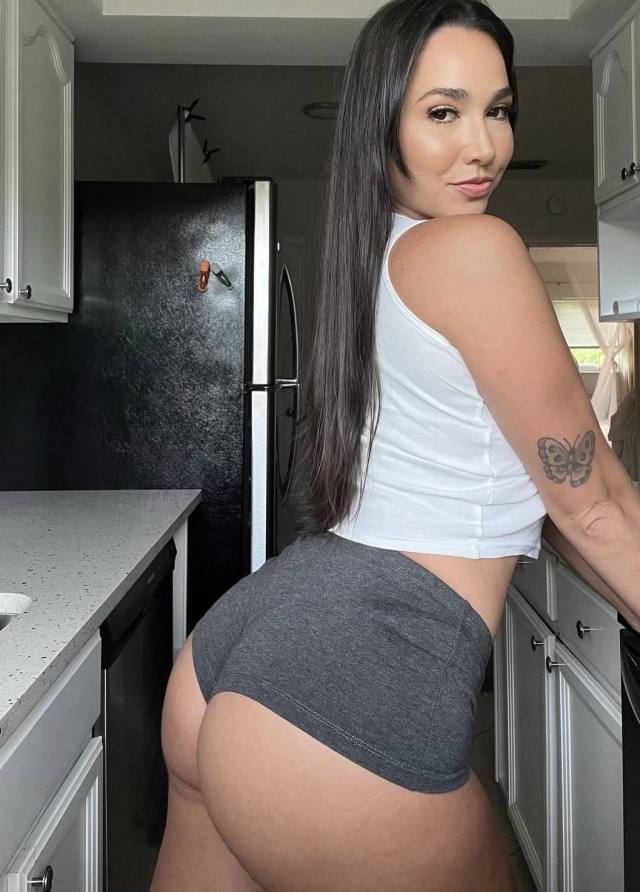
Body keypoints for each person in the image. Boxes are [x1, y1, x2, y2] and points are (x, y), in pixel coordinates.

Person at [150, 0, 640, 889]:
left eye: (499, 110)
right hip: (356, 680)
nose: (484, 146)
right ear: (383, 123)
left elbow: (560, 494)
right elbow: (596, 504)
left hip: (251, 634)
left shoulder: (372, 253)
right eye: (444, 111)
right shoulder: (474, 249)